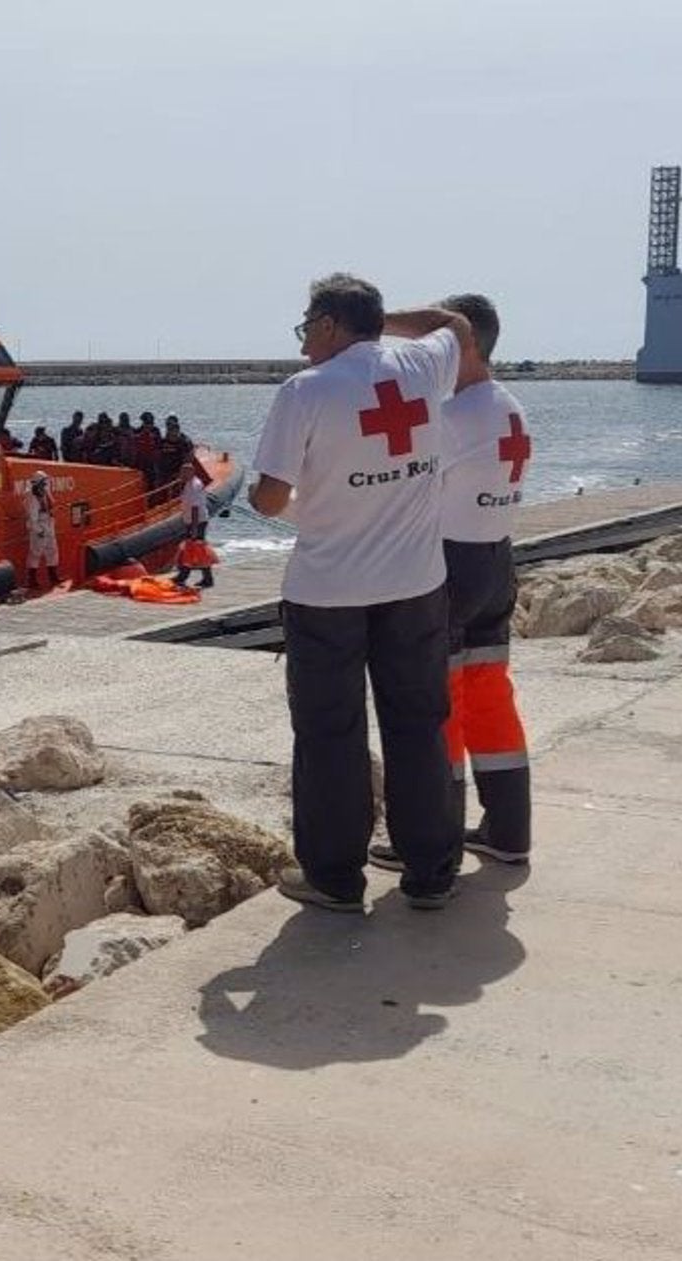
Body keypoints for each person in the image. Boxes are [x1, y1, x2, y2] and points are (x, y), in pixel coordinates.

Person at [249, 272, 473, 912]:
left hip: (329, 592)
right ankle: (432, 872)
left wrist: (310, 504)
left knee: (330, 734)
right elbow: (456, 323)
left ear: (326, 325)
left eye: (305, 331)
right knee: (418, 725)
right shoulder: (425, 365)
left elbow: (268, 498)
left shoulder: (307, 390)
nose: (301, 348)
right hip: (417, 586)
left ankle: (334, 878)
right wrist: (380, 321)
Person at [371, 293, 531, 870]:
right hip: (496, 562)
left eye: (432, 344)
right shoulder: (508, 405)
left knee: (434, 705)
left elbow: (400, 485)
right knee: (491, 700)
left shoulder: (456, 417)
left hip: (450, 568)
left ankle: (430, 842)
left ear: (461, 344)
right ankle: (509, 831)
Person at [171, 460, 216, 588]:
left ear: (191, 472)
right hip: (192, 521)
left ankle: (184, 576)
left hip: (197, 522)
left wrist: (194, 528)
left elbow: (195, 508)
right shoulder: (188, 484)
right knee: (195, 549)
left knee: (194, 549)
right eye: (181, 472)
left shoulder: (194, 486)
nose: (182, 474)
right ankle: (205, 578)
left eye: (184, 472)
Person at [23, 470, 61, 591]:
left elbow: (50, 505)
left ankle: (53, 576)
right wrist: (38, 530)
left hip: (49, 524)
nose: (46, 484)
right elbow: (32, 517)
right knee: (35, 552)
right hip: (39, 526)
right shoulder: (32, 496)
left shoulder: (44, 492)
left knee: (52, 550)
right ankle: (32, 580)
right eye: (44, 482)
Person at [156, 415, 194, 487]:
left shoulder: (184, 442)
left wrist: (181, 472)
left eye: (174, 431)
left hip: (178, 471)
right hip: (164, 471)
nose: (172, 433)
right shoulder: (162, 441)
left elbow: (189, 457)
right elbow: (158, 456)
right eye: (168, 427)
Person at [134, 414, 163, 488]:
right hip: (141, 460)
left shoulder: (156, 431)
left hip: (152, 461)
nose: (149, 425)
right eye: (147, 423)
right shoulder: (137, 431)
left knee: (154, 478)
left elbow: (159, 445)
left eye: (151, 423)